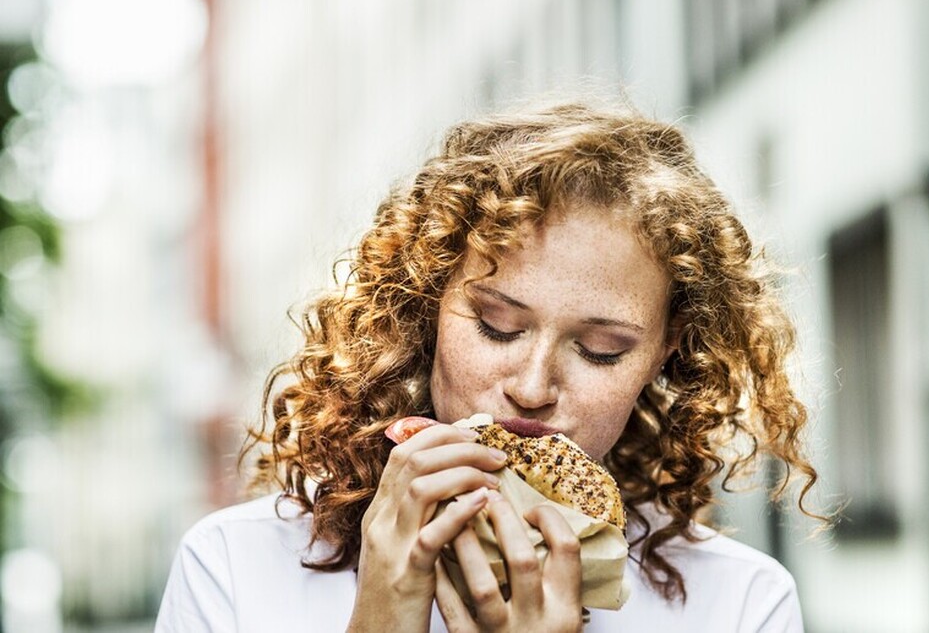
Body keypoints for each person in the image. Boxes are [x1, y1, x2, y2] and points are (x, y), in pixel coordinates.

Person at [155, 100, 820, 632]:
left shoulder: (739, 604)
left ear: (664, 350)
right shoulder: (236, 569)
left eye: (601, 350)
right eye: (498, 325)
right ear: (430, 303)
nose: (532, 387)